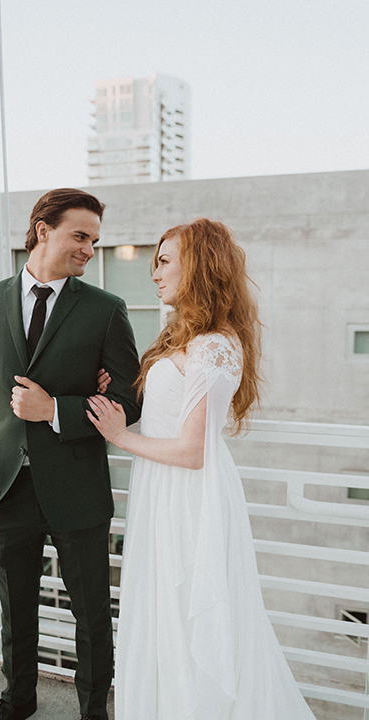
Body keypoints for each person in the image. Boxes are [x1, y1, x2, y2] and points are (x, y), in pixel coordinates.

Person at [88, 218, 316, 720]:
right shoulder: (184, 336)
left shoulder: (215, 344)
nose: (155, 274)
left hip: (190, 496)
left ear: (199, 266)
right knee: (163, 614)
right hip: (161, 491)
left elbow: (193, 451)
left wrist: (120, 437)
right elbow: (167, 405)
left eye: (165, 261)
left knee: (188, 617)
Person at [0, 188, 141, 720]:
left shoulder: (106, 309)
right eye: (80, 236)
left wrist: (55, 409)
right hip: (2, 486)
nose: (88, 249)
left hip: (77, 485)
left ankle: (93, 712)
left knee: (90, 614)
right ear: (43, 230)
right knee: (16, 611)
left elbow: (127, 401)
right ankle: (18, 702)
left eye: (94, 240)